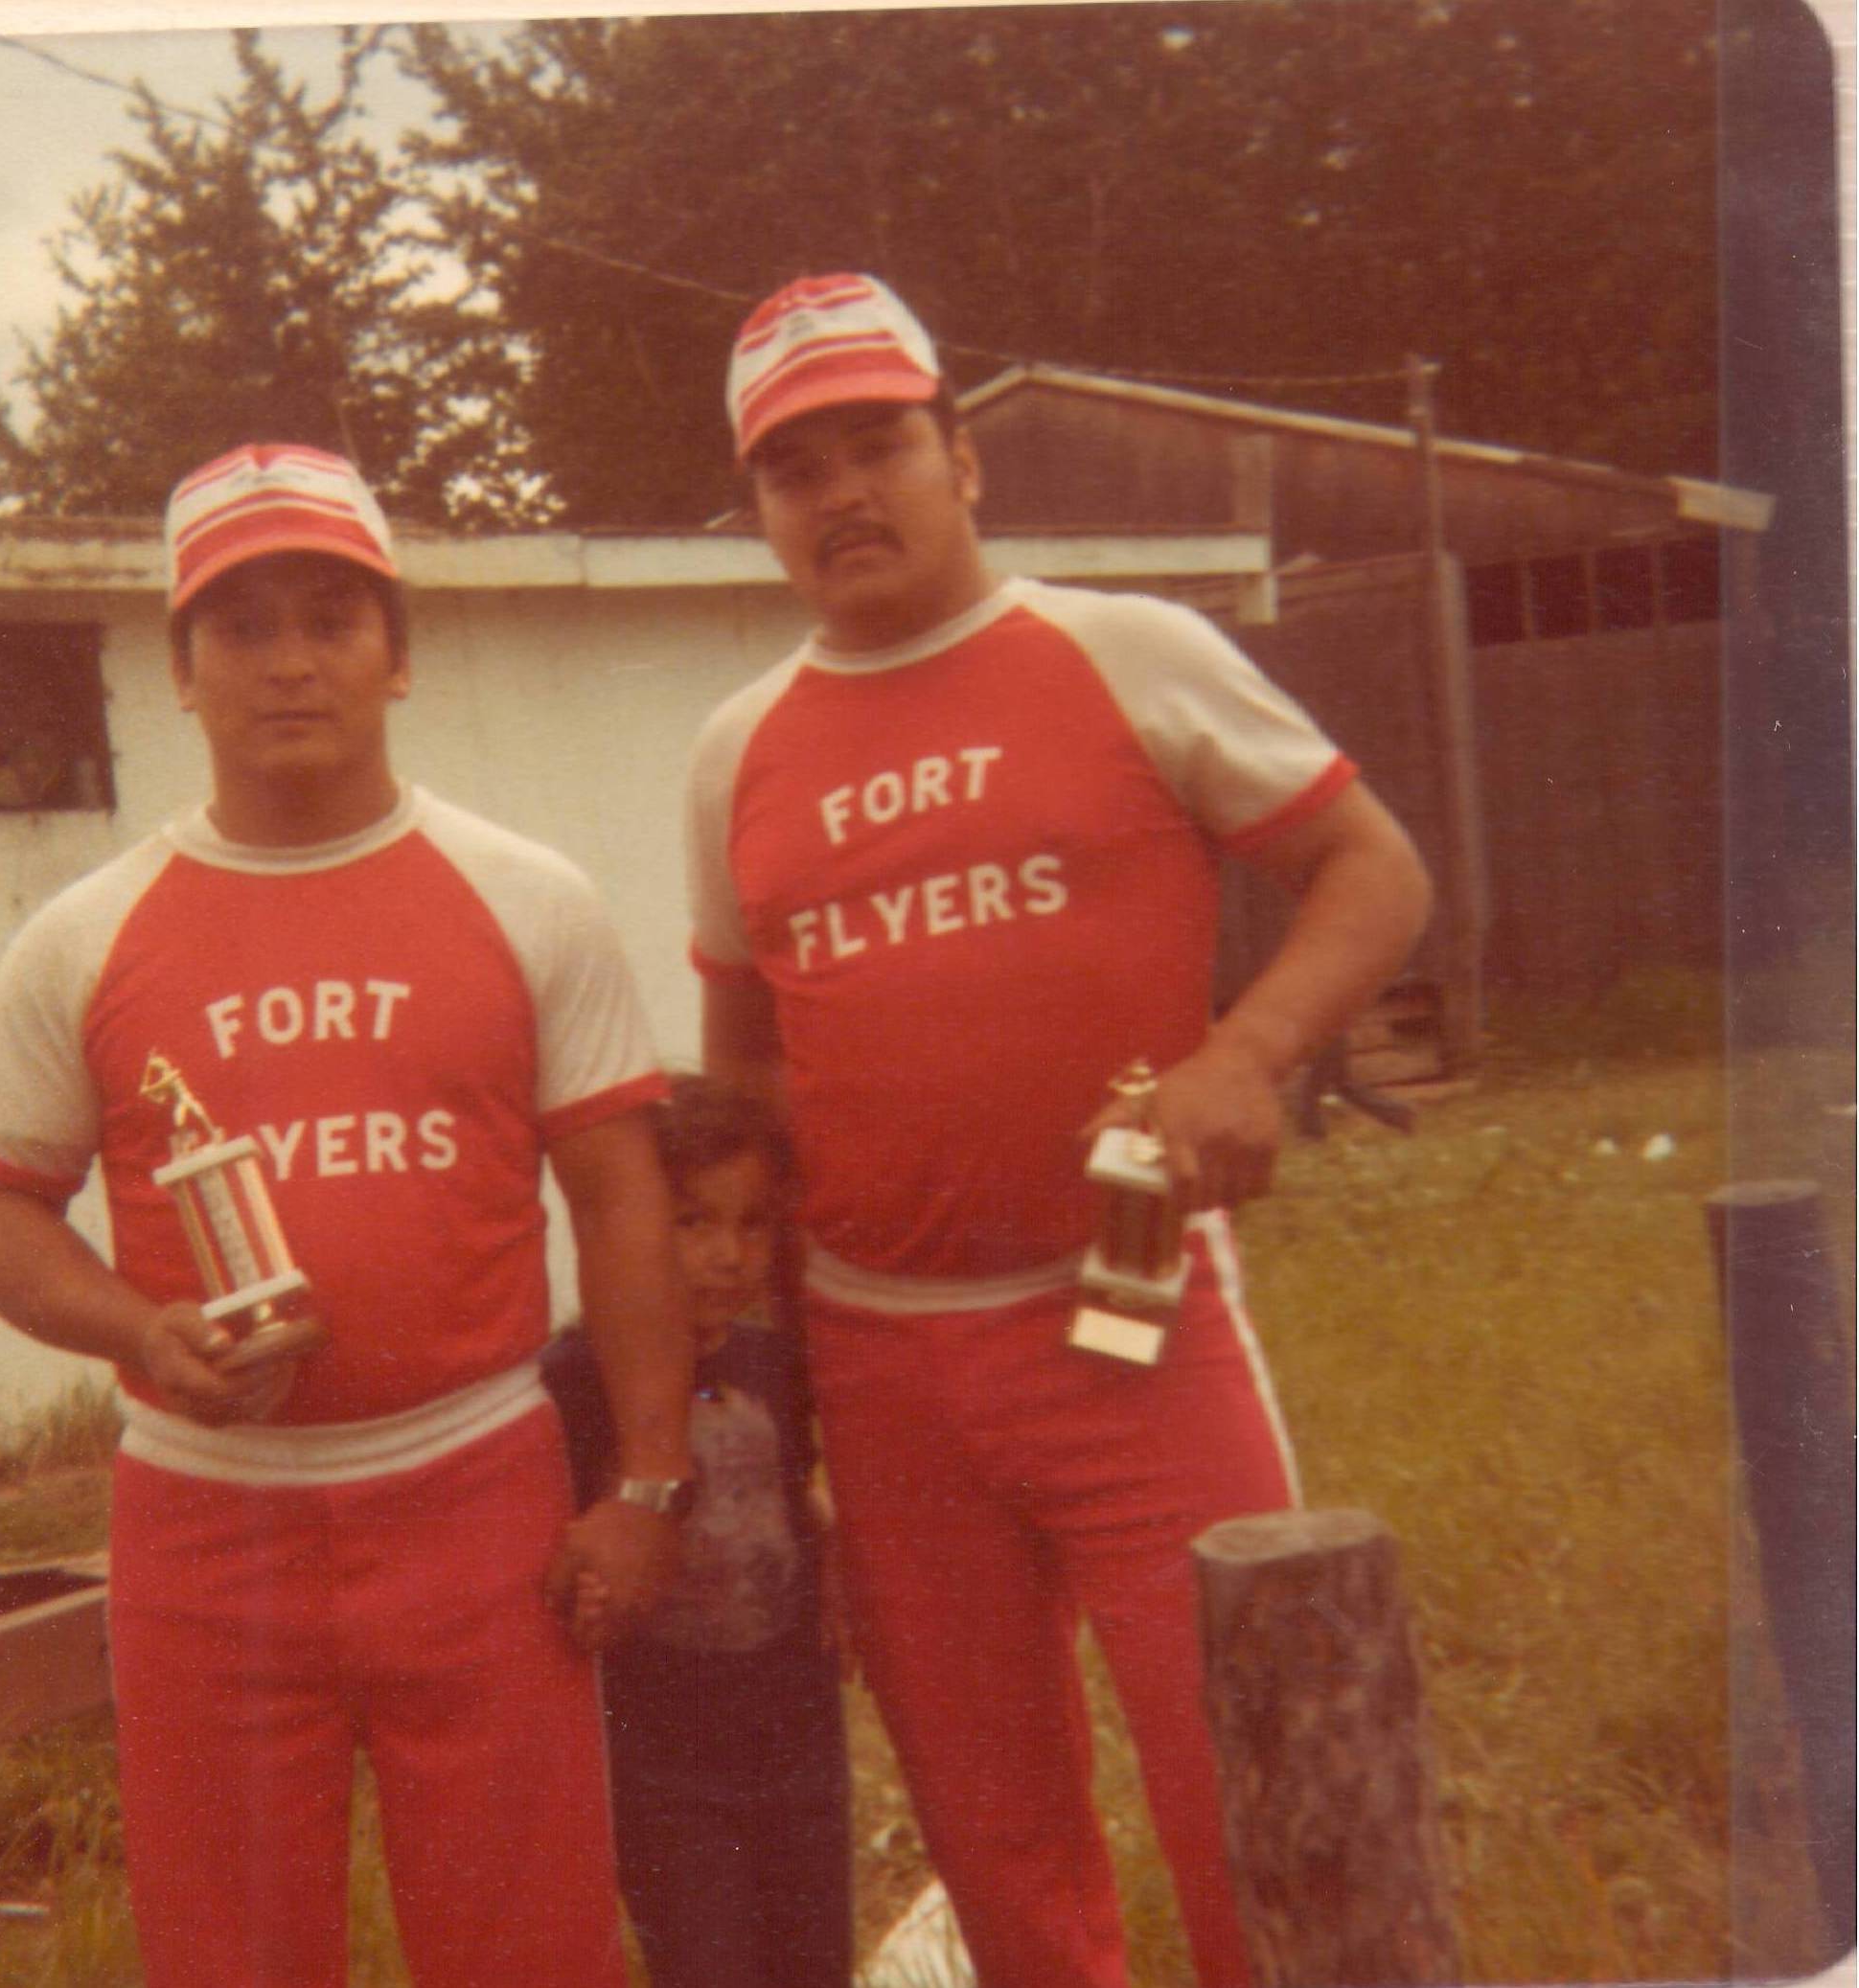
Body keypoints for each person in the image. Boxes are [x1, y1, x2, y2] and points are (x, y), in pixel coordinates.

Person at [687, 273, 1435, 1988]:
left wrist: (1247, 1049)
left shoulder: (1123, 649)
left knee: (1245, 1783)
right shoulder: (732, 754)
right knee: (993, 1834)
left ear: (962, 460)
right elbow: (745, 1089)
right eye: (796, 469)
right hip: (881, 1369)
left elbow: (1370, 870)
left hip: (1133, 1315)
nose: (843, 493)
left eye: (877, 443)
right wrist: (763, 1378)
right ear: (759, 512)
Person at [0, 442, 695, 1988]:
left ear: (397, 653)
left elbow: (623, 1203)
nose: (288, 662)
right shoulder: (83, 937)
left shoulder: (524, 895)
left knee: (528, 1947)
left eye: (330, 617)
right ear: (180, 668)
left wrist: (647, 1484)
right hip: (207, 1520)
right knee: (228, 1956)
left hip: (475, 1488)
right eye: (241, 624)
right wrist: (137, 1327)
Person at [543, 1073, 851, 1988]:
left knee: (813, 1960)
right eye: (691, 1222)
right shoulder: (574, 1380)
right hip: (663, 1760)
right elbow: (554, 1548)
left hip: (797, 1734)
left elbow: (796, 1490)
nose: (728, 1255)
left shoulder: (772, 1360)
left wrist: (835, 1555)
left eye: (752, 1224)